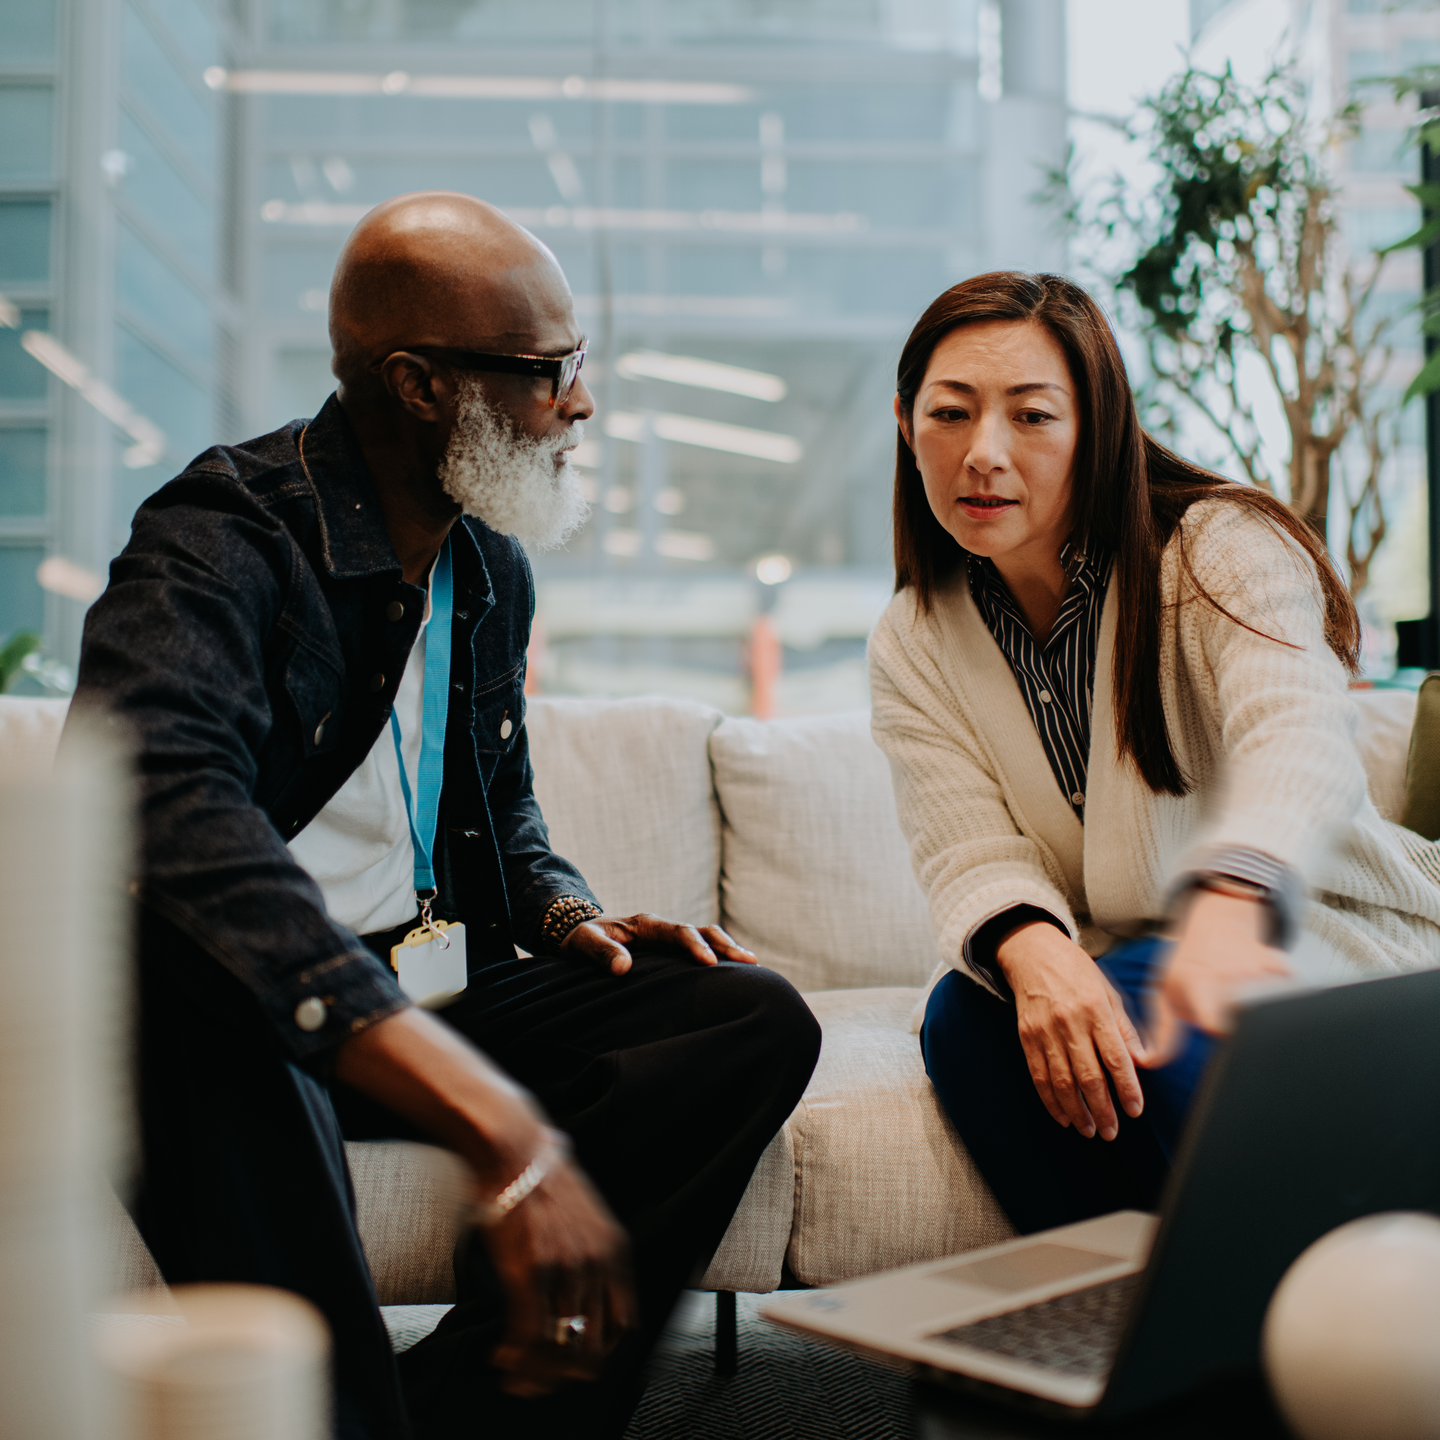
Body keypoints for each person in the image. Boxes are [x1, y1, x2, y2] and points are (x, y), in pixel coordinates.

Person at [70, 191, 821, 1440]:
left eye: (578, 365)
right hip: (249, 1008)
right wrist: (492, 1119)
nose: (580, 402)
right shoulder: (221, 537)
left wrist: (568, 913)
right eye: (546, 371)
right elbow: (157, 800)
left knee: (740, 1019)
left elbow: (496, 813)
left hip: (415, 991)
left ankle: (478, 1414)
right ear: (421, 386)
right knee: (198, 985)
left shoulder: (486, 565)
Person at [868, 271, 1440, 1237]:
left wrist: (1230, 901)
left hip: (1325, 928)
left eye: (1034, 417)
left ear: (1100, 426)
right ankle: (1111, 1322)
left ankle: (1266, 1327)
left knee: (1164, 1011)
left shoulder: (1220, 545)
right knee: (967, 1021)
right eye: (950, 414)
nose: (985, 454)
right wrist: (1032, 949)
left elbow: (1298, 739)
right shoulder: (913, 635)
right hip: (1128, 952)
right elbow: (964, 846)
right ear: (903, 421)